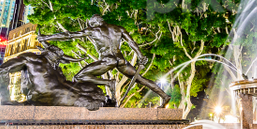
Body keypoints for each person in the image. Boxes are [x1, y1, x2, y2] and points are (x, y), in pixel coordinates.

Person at [40, 15, 171, 107]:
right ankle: (164, 96)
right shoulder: (118, 28)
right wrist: (140, 55)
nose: (90, 25)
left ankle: (108, 83)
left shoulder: (94, 30)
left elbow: (69, 35)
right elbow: (131, 42)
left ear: (96, 22)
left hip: (108, 60)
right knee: (140, 79)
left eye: (91, 23)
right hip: (121, 60)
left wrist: (47, 37)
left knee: (79, 76)